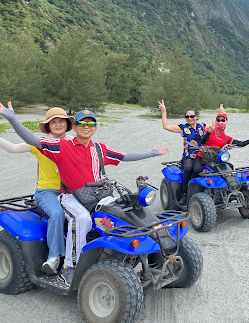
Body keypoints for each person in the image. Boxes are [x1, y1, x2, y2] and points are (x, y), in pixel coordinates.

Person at [0, 102, 168, 285]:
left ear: (95, 127)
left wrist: (152, 153)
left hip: (95, 194)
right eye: (82, 123)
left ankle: (149, 250)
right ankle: (69, 266)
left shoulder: (98, 149)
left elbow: (124, 155)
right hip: (66, 195)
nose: (86, 127)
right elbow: (31, 140)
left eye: (90, 124)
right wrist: (12, 118)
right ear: (75, 126)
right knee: (81, 219)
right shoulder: (61, 146)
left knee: (123, 211)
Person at [0, 107, 74, 274]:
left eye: (60, 121)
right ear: (48, 126)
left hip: (70, 192)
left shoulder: (73, 142)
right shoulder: (39, 142)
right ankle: (54, 257)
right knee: (56, 214)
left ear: (66, 124)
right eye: (53, 122)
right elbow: (13, 148)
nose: (57, 124)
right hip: (46, 192)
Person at [158, 99, 205, 204]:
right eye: (187, 116)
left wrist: (222, 113)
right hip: (188, 155)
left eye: (192, 116)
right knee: (188, 167)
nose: (189, 118)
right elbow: (166, 126)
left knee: (205, 168)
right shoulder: (182, 128)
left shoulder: (202, 126)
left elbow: (217, 126)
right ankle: (185, 192)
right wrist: (164, 111)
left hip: (202, 155)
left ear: (196, 117)